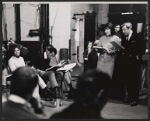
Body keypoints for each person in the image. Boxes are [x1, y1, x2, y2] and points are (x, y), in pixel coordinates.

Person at [121, 22, 145, 106]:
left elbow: (143, 48)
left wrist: (138, 55)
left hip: (135, 62)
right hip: (127, 62)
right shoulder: (125, 38)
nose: (123, 31)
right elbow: (124, 48)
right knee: (128, 80)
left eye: (124, 30)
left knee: (135, 81)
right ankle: (130, 97)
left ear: (129, 28)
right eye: (122, 30)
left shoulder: (137, 36)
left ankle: (135, 99)